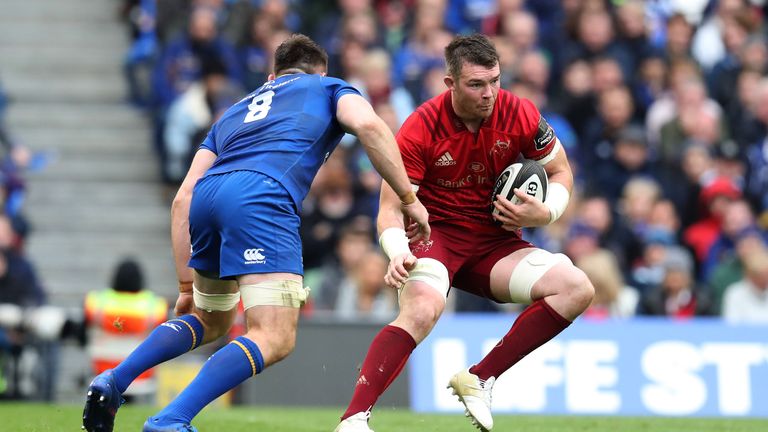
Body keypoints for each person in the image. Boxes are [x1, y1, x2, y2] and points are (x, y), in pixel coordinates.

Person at [81, 34, 430, 432]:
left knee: (210, 321)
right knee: (274, 336)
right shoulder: (329, 88)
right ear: (321, 71)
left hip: (208, 198)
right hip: (261, 197)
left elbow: (182, 198)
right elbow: (369, 124)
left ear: (272, 76)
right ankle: (170, 420)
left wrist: (184, 287)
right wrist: (407, 196)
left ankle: (112, 381)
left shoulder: (234, 112)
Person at [334, 34, 594, 432]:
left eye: (495, 81)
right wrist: (397, 250)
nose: (489, 93)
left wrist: (546, 212)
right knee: (421, 309)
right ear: (450, 84)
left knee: (577, 287)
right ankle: (353, 420)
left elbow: (561, 171)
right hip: (434, 236)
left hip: (495, 243)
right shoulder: (420, 128)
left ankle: (480, 377)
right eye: (476, 84)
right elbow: (388, 209)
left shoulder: (519, 112)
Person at [83, 258, 168, 401]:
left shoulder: (95, 302)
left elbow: (82, 334)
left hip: (102, 371)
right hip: (140, 375)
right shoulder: (156, 306)